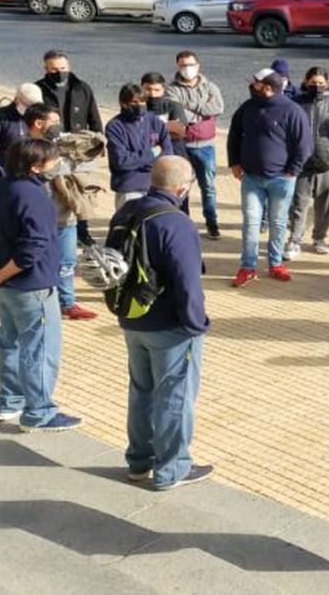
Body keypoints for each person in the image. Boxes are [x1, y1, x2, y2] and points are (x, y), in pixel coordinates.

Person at [112, 156, 213, 490]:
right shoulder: (176, 222)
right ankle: (172, 469)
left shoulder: (127, 211)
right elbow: (188, 283)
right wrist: (196, 324)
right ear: (182, 188)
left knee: (141, 392)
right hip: (170, 326)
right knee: (174, 397)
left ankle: (138, 462)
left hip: (132, 318)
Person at [0, 138, 82, 432]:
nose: (57, 164)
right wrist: (3, 273)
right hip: (30, 285)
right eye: (53, 160)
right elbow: (34, 245)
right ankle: (39, 411)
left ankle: (9, 401)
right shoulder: (32, 195)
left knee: (11, 343)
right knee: (40, 347)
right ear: (35, 166)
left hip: (3, 285)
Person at [227, 68, 313, 287]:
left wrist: (293, 169)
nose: (251, 86)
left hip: (282, 179)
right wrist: (234, 162)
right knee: (251, 222)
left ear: (266, 88)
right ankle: (247, 267)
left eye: (255, 83)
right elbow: (234, 134)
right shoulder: (248, 107)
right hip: (251, 178)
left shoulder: (292, 111)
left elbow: (304, 145)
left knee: (277, 222)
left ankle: (275, 264)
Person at [20, 105, 97, 322]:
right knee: (36, 261)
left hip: (66, 214)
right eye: (53, 122)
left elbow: (83, 165)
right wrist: (60, 164)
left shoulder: (62, 146)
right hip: (39, 217)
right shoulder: (24, 148)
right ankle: (39, 305)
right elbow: (37, 175)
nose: (59, 127)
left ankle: (68, 303)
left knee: (67, 262)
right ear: (38, 123)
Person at [36, 49, 102, 246]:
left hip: (79, 150)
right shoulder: (38, 89)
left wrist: (99, 141)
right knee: (55, 191)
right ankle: (54, 229)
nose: (59, 72)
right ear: (46, 68)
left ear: (69, 66)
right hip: (51, 150)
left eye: (62, 68)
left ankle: (83, 232)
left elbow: (94, 117)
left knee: (81, 191)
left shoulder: (82, 88)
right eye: (54, 69)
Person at [286, 68, 329, 259]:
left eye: (321, 83)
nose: (317, 86)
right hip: (301, 164)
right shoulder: (294, 104)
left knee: (324, 204)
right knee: (299, 204)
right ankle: (294, 240)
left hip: (325, 163)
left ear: (327, 83)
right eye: (313, 82)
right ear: (305, 82)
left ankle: (320, 238)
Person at [167, 50, 225, 240]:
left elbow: (218, 108)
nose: (187, 69)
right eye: (183, 65)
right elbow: (179, 115)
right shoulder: (172, 89)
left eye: (191, 65)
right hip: (181, 145)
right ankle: (184, 222)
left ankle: (211, 222)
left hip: (205, 146)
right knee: (182, 187)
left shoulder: (211, 87)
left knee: (208, 186)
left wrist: (190, 106)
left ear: (198, 66)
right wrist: (201, 109)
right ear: (178, 66)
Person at [105, 82, 172, 210]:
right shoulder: (114, 127)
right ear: (123, 104)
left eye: (142, 102)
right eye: (135, 102)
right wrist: (152, 154)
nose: (140, 106)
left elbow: (167, 152)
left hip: (156, 186)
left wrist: (145, 162)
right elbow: (122, 161)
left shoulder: (154, 121)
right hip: (129, 187)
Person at [0, 83, 41, 151]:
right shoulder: (0, 117)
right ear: (16, 100)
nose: (31, 110)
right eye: (27, 106)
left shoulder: (40, 116)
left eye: (34, 107)